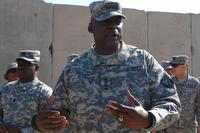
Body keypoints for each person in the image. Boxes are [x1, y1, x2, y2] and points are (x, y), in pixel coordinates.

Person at [32, 0, 181, 133]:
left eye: (117, 21)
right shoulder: (74, 68)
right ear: (91, 27)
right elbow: (58, 113)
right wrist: (39, 124)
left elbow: (171, 102)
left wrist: (149, 119)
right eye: (105, 22)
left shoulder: (143, 60)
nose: (113, 27)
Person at [0, 50, 53, 133]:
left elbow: (48, 123)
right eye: (19, 64)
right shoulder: (6, 89)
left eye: (26, 64)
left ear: (36, 68)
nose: (21, 67)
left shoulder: (45, 92)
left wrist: (21, 132)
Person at [162, 55, 200, 133]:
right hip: (171, 127)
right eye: (172, 65)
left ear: (184, 67)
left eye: (175, 66)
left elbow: (198, 106)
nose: (172, 68)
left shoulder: (195, 84)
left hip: (189, 128)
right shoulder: (168, 83)